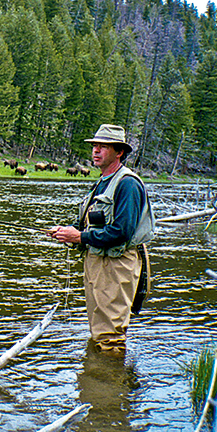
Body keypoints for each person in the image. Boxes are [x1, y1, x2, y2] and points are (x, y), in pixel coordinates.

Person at [47, 124, 155, 354]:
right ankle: (98, 381)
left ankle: (110, 384)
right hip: (97, 261)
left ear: (119, 152)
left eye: (103, 146)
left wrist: (80, 237)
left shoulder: (128, 184)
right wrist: (69, 232)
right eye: (95, 146)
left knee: (110, 335)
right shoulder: (102, 182)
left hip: (116, 264)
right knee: (98, 329)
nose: (96, 151)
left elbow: (122, 232)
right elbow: (94, 224)